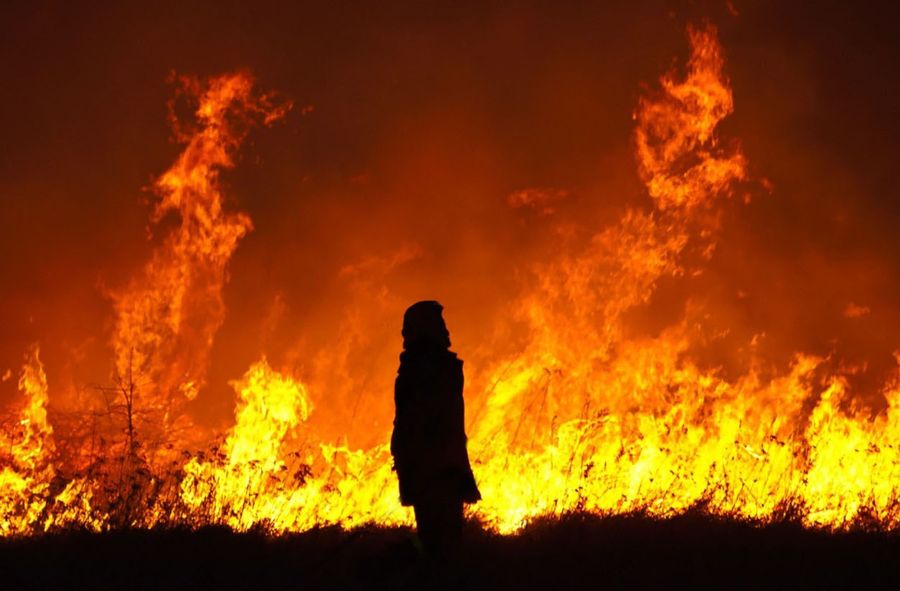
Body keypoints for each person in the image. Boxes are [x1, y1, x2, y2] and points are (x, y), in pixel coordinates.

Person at [391, 300, 481, 560]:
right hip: (435, 473)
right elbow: (429, 427)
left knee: (438, 544)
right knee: (441, 547)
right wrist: (451, 470)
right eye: (439, 323)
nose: (446, 330)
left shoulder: (426, 368)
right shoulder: (426, 370)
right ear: (426, 328)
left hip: (436, 471)